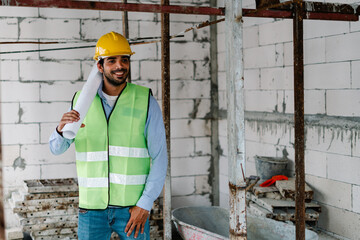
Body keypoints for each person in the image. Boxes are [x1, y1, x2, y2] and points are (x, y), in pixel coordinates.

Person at [49, 31, 168, 240]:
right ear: (100, 66)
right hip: (91, 210)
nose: (119, 66)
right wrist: (60, 130)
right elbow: (56, 149)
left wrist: (145, 203)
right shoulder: (81, 101)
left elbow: (160, 157)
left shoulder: (145, 100)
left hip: (132, 209)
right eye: (111, 60)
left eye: (124, 59)